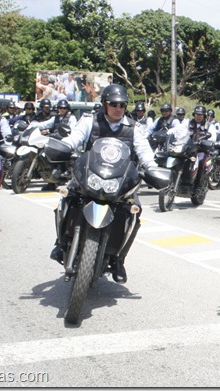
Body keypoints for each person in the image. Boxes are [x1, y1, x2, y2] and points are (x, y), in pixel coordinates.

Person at [49, 84, 158, 284]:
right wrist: (64, 146)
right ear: (104, 104)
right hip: (89, 173)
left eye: (122, 105)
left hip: (119, 180)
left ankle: (118, 259)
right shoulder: (90, 121)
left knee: (135, 212)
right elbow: (75, 138)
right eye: (114, 104)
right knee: (65, 198)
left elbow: (144, 151)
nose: (118, 108)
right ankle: (60, 243)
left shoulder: (134, 128)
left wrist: (152, 167)